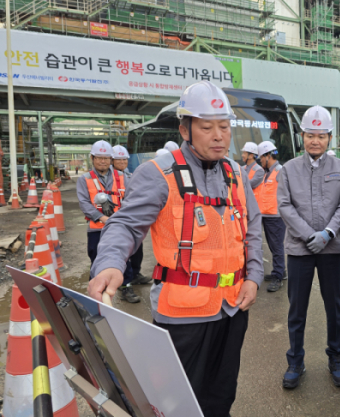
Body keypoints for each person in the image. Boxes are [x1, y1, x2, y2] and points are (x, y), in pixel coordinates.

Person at [87, 81, 263, 417]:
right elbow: (124, 224)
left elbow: (251, 229)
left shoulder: (237, 174)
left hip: (232, 307)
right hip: (183, 315)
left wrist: (253, 276)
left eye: (224, 127)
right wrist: (109, 264)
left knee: (221, 396)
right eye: (207, 127)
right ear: (185, 129)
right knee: (176, 403)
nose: (218, 136)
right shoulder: (158, 174)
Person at [278, 105, 340, 389]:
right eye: (310, 134)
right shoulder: (288, 169)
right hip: (299, 250)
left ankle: (336, 356)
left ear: (330, 138)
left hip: (332, 250)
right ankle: (295, 359)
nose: (315, 141)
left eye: (321, 136)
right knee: (297, 309)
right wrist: (310, 235)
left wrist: (329, 233)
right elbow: (284, 205)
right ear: (302, 136)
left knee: (334, 307)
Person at [77, 140, 140, 303]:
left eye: (106, 157)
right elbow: (84, 203)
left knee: (123, 256)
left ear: (111, 159)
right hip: (96, 227)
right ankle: (96, 289)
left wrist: (120, 219)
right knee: (96, 256)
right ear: (92, 158)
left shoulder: (122, 177)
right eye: (99, 157)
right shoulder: (84, 179)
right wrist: (103, 218)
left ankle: (126, 287)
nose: (103, 161)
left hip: (119, 227)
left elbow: (131, 198)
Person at [112, 145, 152, 288]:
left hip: (134, 218)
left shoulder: (130, 175)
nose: (122, 162)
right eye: (119, 159)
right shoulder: (109, 178)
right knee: (124, 251)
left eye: (124, 159)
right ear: (112, 160)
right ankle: (124, 282)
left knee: (137, 249)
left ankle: (136, 273)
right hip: (120, 219)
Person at [256, 141, 286, 292]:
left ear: (268, 156)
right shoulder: (266, 171)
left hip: (275, 216)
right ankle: (280, 271)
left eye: (261, 157)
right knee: (274, 246)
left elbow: (286, 193)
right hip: (267, 215)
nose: (260, 160)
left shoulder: (280, 171)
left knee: (277, 246)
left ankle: (278, 277)